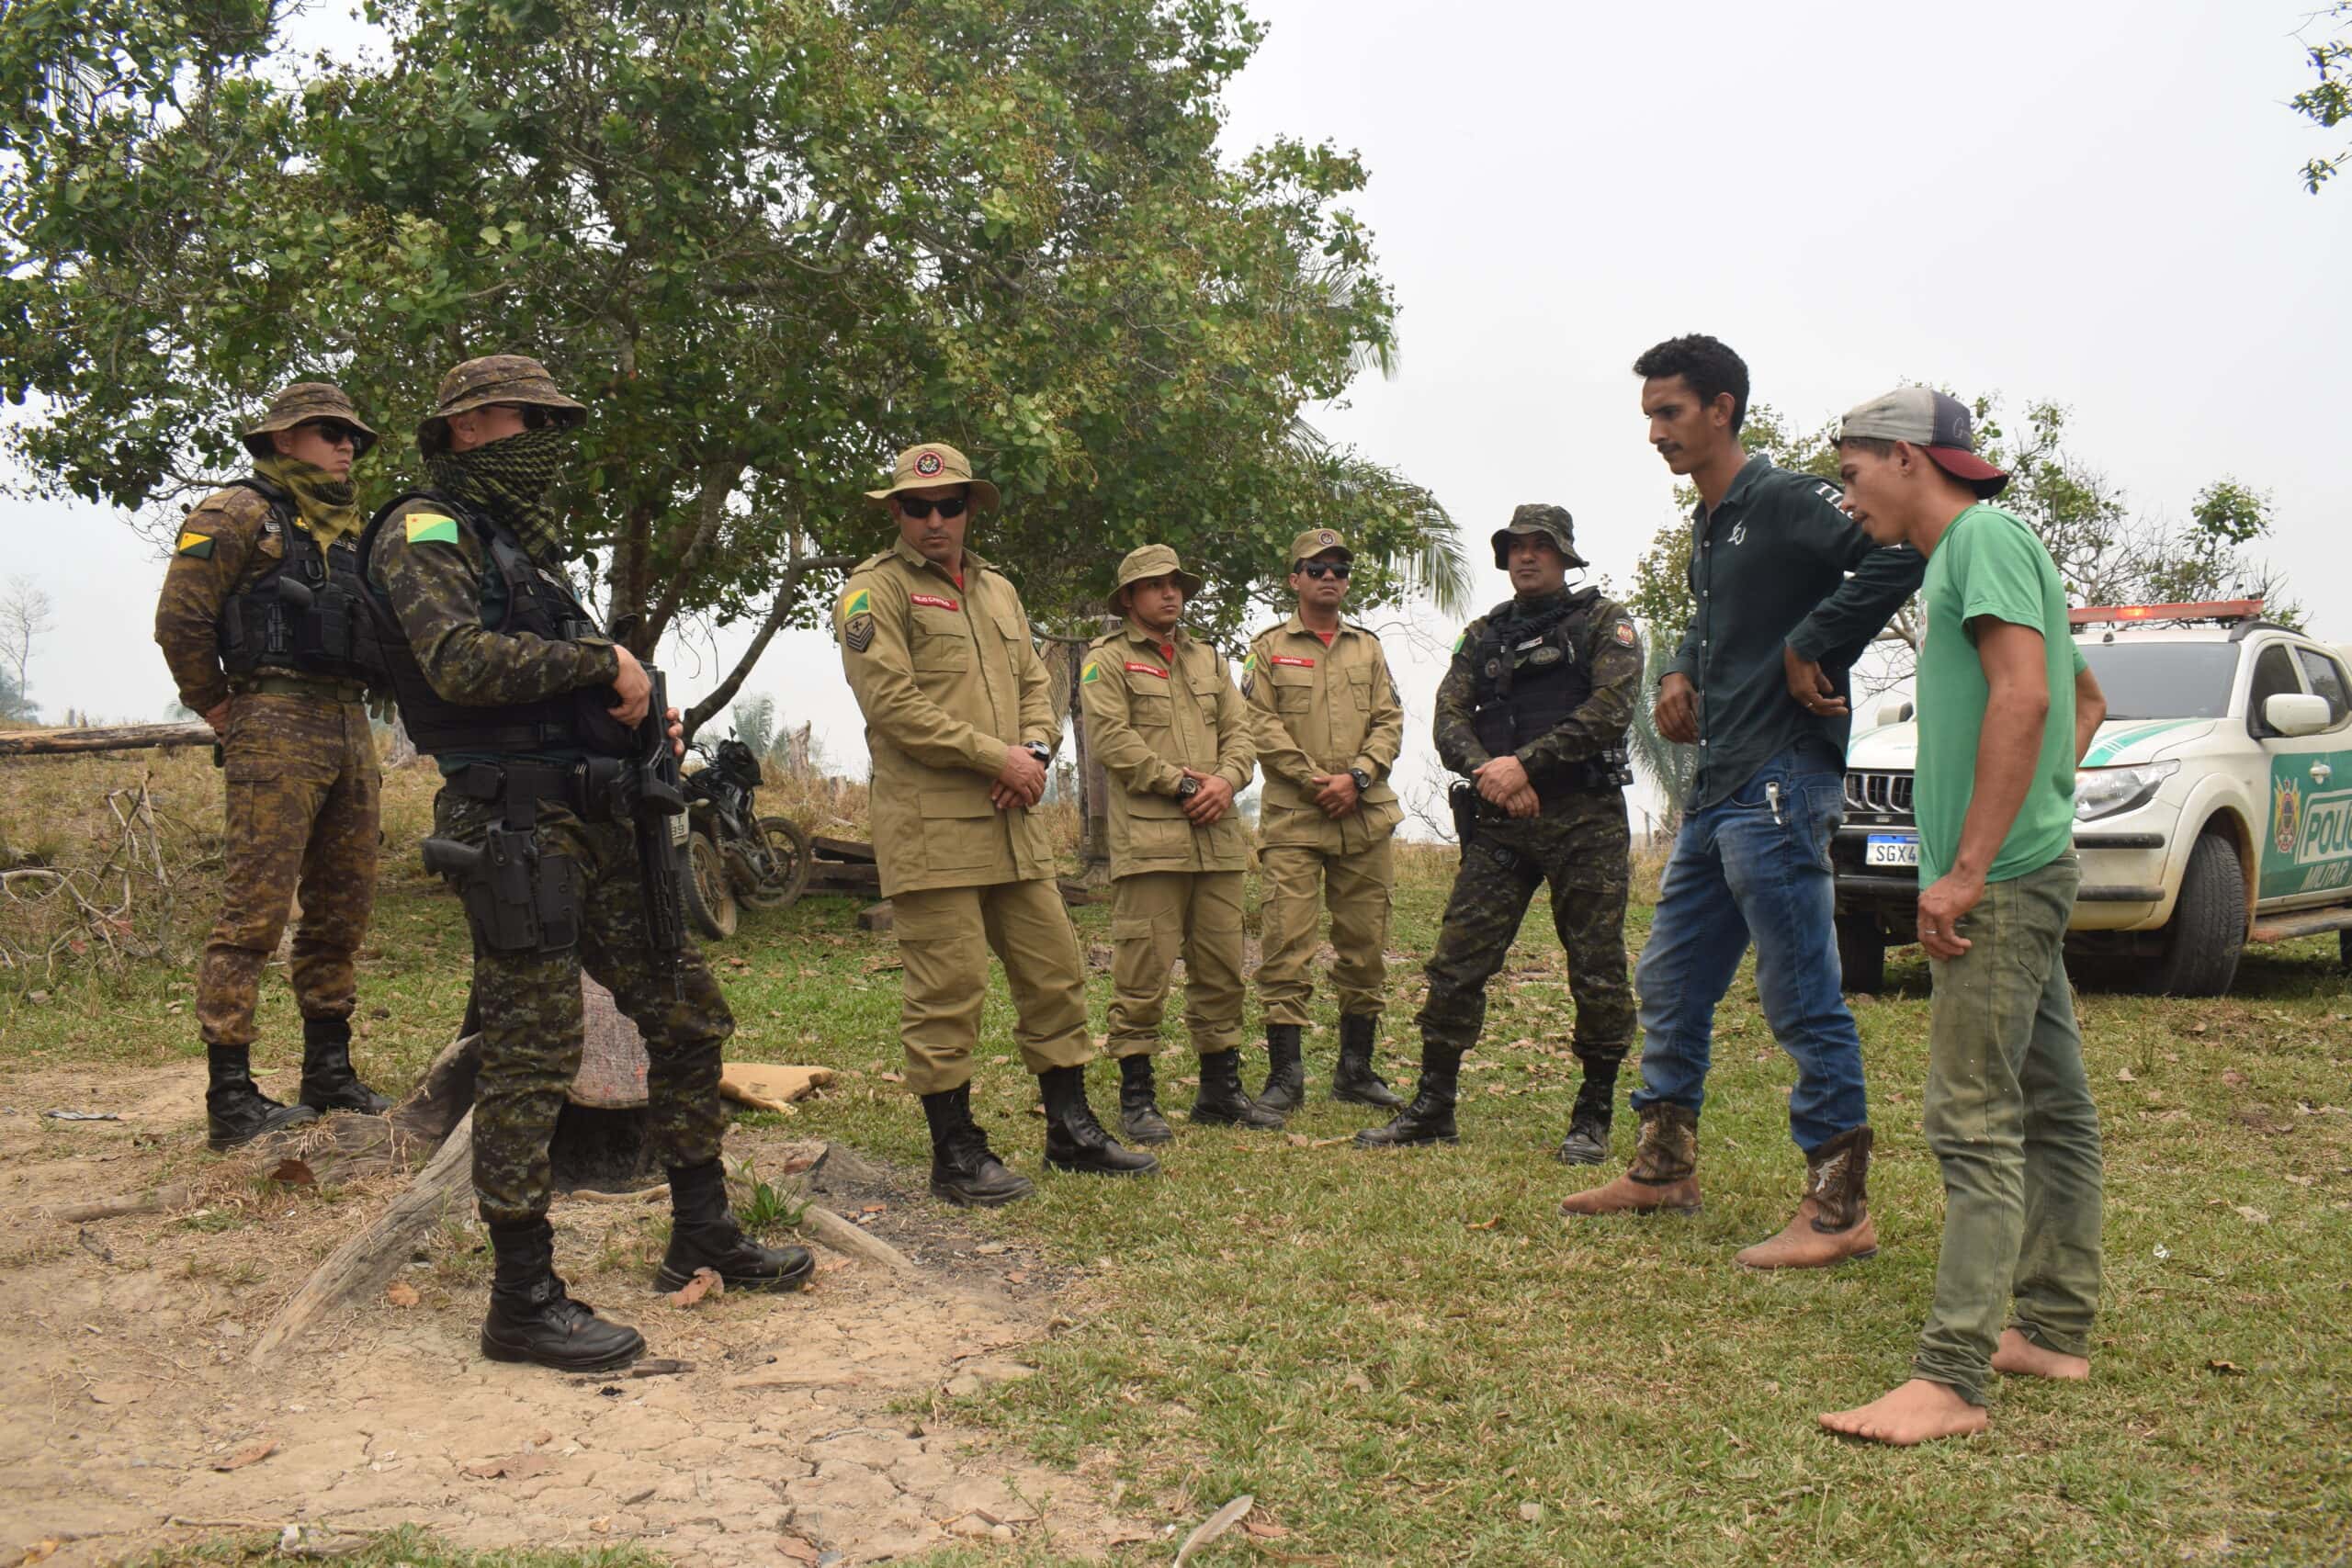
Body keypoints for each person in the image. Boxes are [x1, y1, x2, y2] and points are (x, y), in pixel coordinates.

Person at [363, 355, 809, 1373]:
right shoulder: (422, 530)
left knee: (689, 1014)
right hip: (513, 824)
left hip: (598, 815)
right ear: (474, 424)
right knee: (531, 1057)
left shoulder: (523, 550)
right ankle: (520, 1299)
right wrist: (604, 664)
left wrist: (645, 707)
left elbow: (565, 679)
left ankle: (702, 1230)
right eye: (534, 426)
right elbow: (458, 664)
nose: (549, 450)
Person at [1561, 334, 1922, 1269]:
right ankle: (1664, 1165)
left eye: (1669, 412)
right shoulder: (1712, 524)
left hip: (1782, 780)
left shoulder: (1790, 500)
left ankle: (1839, 1208)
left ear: (1722, 408)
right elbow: (1714, 618)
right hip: (1719, 787)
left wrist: (1814, 639)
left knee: (1799, 989)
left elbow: (1902, 554)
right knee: (1671, 982)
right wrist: (1679, 669)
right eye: (1647, 414)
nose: (1654, 432)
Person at [1818, 387, 2107, 1445]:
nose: (1847, 499)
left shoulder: (1977, 539)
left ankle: (1949, 1380)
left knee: (1970, 1118)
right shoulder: (1989, 549)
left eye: (1851, 474)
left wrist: (1972, 864)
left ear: (1904, 457)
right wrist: (2037, 816)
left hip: (2002, 883)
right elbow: (2083, 700)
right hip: (2028, 868)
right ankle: (2053, 1330)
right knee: (2054, 1105)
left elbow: (2029, 698)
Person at [836, 443, 1156, 1203]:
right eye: (918, 507)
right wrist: (997, 758)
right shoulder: (869, 595)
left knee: (1055, 971)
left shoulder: (999, 590)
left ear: (971, 508)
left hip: (1013, 823)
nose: (935, 519)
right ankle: (956, 1150)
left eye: (950, 504)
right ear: (897, 512)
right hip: (933, 824)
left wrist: (1038, 749)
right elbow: (893, 705)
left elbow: (1035, 682)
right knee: (948, 990)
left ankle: (1070, 1129)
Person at [1355, 505, 1641, 1152]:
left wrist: (1526, 766)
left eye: (1541, 546)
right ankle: (1434, 1104)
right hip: (1501, 823)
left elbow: (1611, 709)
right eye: (1516, 546)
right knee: (1456, 961)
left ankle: (1593, 1114)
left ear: (1566, 556)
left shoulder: (1604, 622)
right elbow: (1448, 715)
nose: (1527, 556)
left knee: (1595, 967)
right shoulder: (1483, 634)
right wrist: (1491, 773)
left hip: (1583, 819)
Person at [154, 382, 394, 1151]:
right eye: (329, 432)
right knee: (254, 910)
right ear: (285, 439)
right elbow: (180, 618)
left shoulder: (357, 531)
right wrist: (219, 707)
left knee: (343, 903)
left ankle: (329, 1070)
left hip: (348, 719)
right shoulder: (234, 514)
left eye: (352, 433)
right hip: (272, 714)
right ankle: (232, 1093)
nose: (346, 445)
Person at [1080, 545, 1279, 1140]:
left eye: (1176, 583)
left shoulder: (1209, 660)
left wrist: (1228, 780)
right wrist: (1186, 782)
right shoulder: (1106, 661)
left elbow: (1241, 732)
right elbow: (1113, 740)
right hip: (1150, 842)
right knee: (1143, 969)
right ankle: (1137, 1096)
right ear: (1129, 598)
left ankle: (1220, 1090)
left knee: (1222, 968)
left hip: (1216, 842)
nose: (1170, 593)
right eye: (1155, 584)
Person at [1242, 528, 1408, 1113]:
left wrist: (1359, 777)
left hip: (1364, 815)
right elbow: (1259, 725)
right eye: (1316, 568)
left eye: (1339, 568)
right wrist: (1318, 781)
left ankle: (1356, 1071)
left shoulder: (1368, 647)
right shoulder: (1266, 648)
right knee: (1286, 942)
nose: (1330, 577)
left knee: (1364, 945)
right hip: (1295, 817)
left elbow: (1390, 719)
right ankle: (1285, 1075)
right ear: (1295, 580)